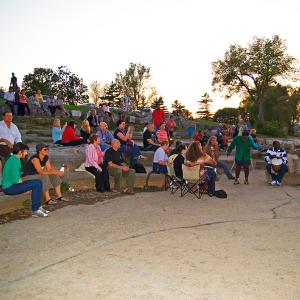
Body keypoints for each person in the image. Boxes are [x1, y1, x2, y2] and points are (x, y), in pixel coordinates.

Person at [2, 143, 48, 217]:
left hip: (12, 185)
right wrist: (25, 189)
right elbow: (15, 180)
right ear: (20, 152)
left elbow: (17, 177)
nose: (27, 153)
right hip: (9, 188)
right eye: (26, 151)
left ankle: (38, 207)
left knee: (38, 182)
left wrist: (25, 186)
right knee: (36, 184)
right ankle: (35, 210)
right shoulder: (15, 161)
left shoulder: (14, 158)